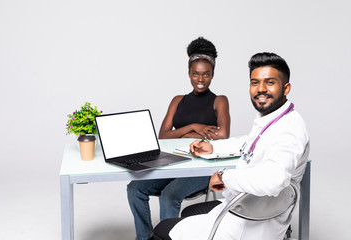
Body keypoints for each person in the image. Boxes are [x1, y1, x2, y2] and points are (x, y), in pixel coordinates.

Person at [153, 52, 310, 240]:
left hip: (252, 222)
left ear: (286, 88)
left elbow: (273, 180)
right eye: (255, 82)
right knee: (191, 212)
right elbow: (250, 142)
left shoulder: (288, 130)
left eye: (269, 82)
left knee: (163, 229)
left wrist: (225, 176)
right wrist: (214, 148)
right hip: (253, 207)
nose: (261, 89)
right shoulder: (275, 119)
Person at [127, 37, 231, 240]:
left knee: (170, 195)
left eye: (206, 74)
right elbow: (162, 136)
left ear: (212, 75)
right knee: (134, 189)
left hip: (202, 167)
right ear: (189, 74)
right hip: (174, 162)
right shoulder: (178, 101)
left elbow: (222, 135)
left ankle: (169, 238)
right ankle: (145, 237)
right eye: (195, 74)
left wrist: (182, 132)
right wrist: (194, 128)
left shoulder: (219, 101)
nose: (200, 79)